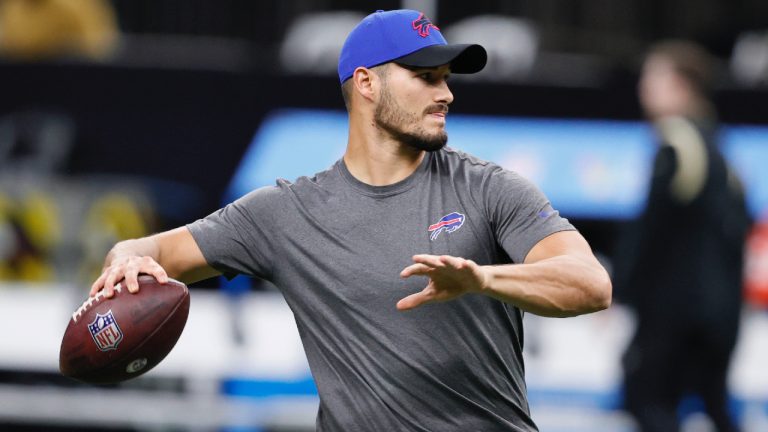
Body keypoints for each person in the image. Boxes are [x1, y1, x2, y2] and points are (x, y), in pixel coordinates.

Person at [90, 9, 611, 431]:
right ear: (366, 83)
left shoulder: (490, 187)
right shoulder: (284, 213)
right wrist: (126, 262)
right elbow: (149, 249)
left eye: (446, 79)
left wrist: (482, 278)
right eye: (425, 77)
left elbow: (590, 284)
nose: (445, 93)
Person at [619, 40, 750, 432]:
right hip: (718, 307)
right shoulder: (717, 145)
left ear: (680, 86)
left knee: (646, 399)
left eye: (652, 78)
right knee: (713, 404)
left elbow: (653, 228)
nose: (643, 87)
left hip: (675, 308)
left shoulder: (677, 142)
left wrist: (620, 285)